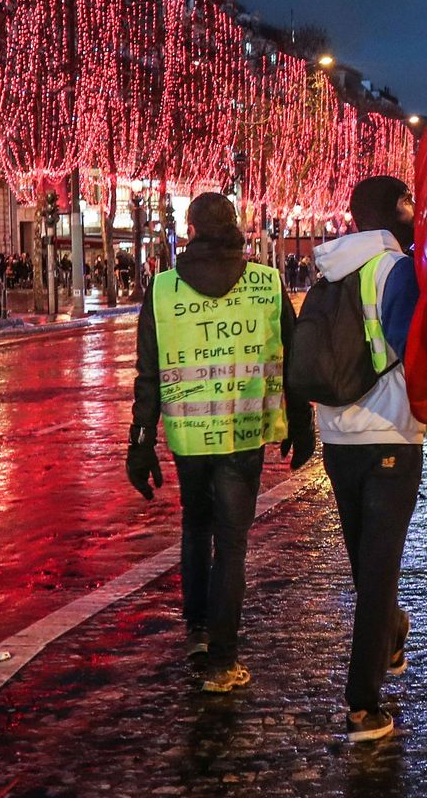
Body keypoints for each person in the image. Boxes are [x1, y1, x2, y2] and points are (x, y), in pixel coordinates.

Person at [128, 192, 314, 696]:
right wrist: (301, 424)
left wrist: (141, 442)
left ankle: (197, 631)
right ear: (234, 227)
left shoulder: (163, 288)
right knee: (231, 543)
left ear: (190, 230)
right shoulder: (267, 283)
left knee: (195, 526)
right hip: (244, 431)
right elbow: (293, 359)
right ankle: (223, 661)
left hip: (189, 435)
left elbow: (149, 373)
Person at [309, 174, 427, 743]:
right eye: (408, 201)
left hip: (338, 436)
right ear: (392, 209)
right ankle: (363, 705)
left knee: (368, 566)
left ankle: (390, 634)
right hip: (389, 433)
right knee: (379, 572)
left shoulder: (329, 269)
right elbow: (414, 349)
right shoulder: (394, 271)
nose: (414, 210)